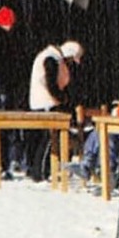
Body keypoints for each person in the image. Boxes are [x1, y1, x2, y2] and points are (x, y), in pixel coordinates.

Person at [25, 39, 82, 182]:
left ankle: (37, 169)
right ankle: (41, 172)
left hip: (40, 103)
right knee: (49, 140)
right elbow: (51, 84)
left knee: (41, 141)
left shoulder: (48, 55)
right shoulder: (51, 59)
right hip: (45, 104)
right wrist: (62, 98)